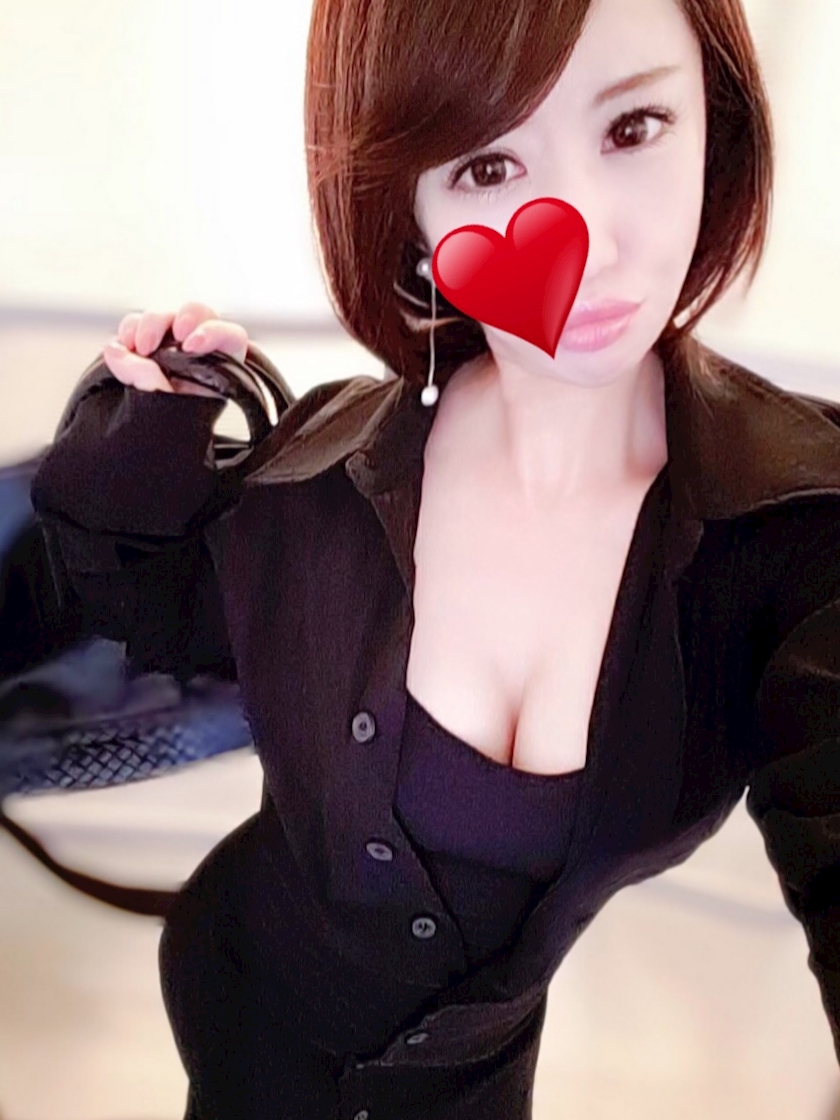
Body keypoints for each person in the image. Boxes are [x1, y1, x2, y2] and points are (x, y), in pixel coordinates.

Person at [26, 0, 840, 1116]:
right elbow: (140, 604)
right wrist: (147, 426)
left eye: (633, 127)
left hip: (466, 1085)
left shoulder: (799, 535)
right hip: (243, 1011)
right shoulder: (323, 472)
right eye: (489, 165)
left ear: (717, 118)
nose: (584, 236)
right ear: (408, 214)